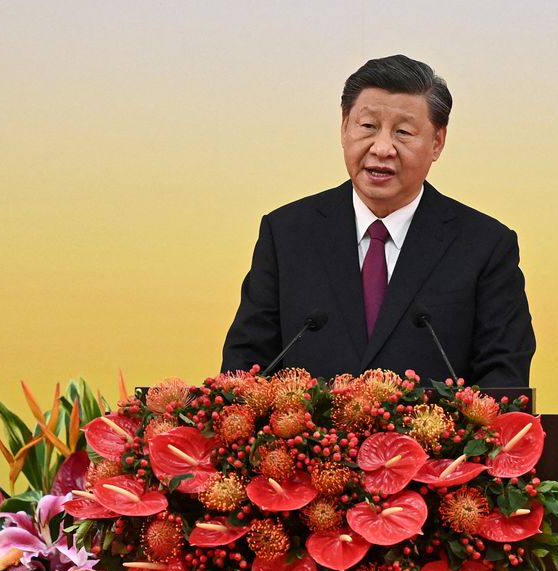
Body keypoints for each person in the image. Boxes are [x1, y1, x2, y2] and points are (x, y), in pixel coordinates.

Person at [221, 54, 535, 387]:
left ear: (437, 142)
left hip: (431, 439)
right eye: (368, 127)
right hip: (303, 439)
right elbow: (245, 368)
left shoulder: (484, 245)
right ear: (344, 127)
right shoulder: (287, 234)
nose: (382, 148)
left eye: (403, 132)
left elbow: (503, 379)